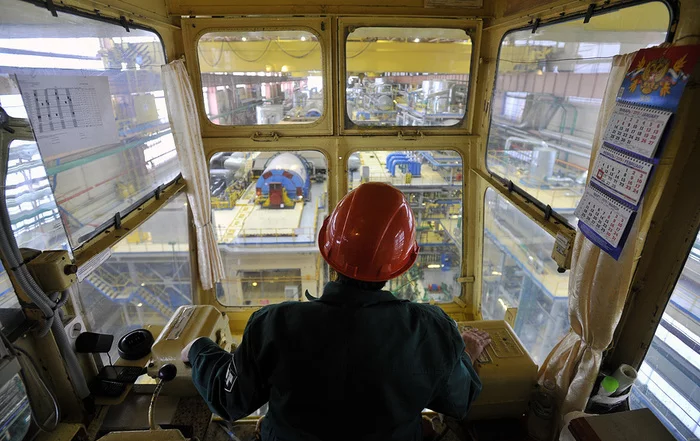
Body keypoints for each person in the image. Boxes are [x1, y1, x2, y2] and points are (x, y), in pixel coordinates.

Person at [182, 182, 491, 441]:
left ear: (327, 251)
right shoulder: (432, 329)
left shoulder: (273, 324)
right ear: (402, 263)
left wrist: (199, 350)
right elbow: (458, 401)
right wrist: (466, 353)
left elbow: (229, 400)